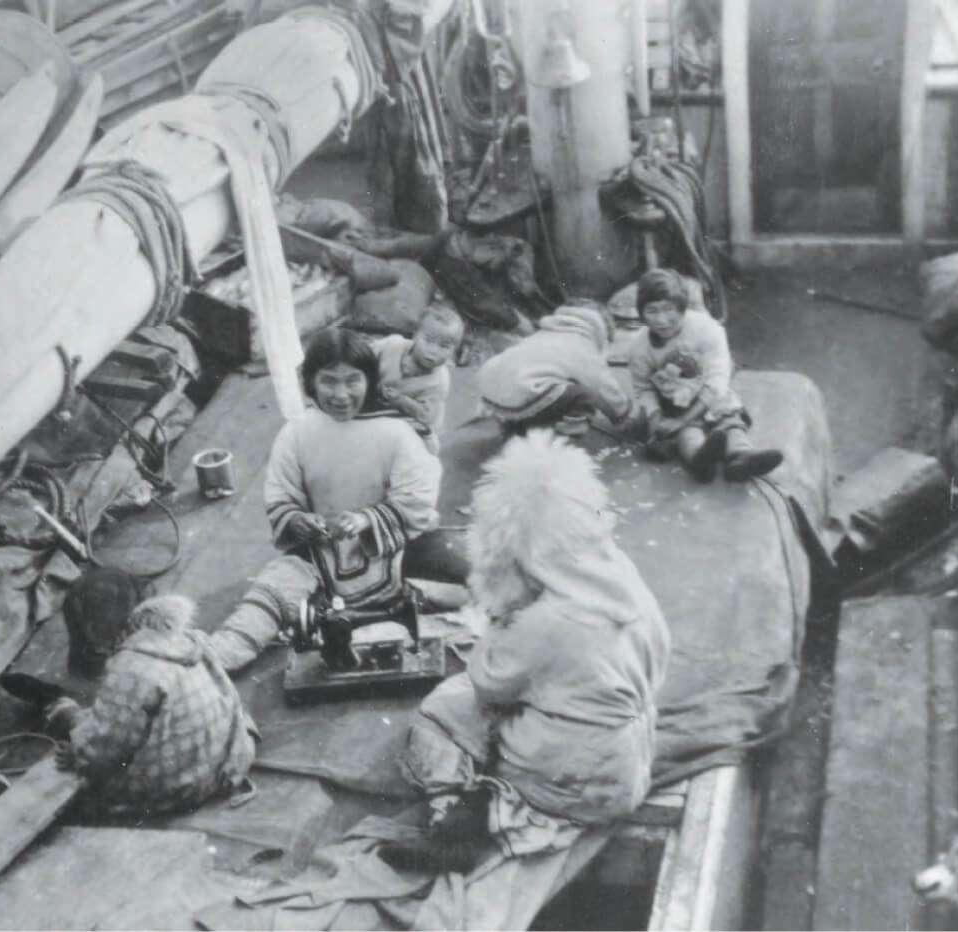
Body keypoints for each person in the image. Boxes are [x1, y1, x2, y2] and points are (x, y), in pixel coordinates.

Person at [381, 430, 670, 874]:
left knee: (440, 711)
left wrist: (499, 614)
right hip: (629, 763)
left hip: (569, 781)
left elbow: (489, 685)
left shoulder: (546, 620)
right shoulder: (620, 577)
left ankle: (457, 820)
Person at [207, 328, 467, 673]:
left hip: (394, 548)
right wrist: (298, 519)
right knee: (268, 597)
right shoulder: (296, 434)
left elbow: (418, 499)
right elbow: (281, 495)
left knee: (476, 563)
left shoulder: (396, 431)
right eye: (329, 381)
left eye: (352, 381)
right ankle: (211, 660)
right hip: (321, 555)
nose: (341, 395)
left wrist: (367, 519)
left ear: (370, 380)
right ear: (310, 383)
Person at [49, 589, 258, 818]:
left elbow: (106, 750)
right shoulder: (187, 639)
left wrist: (78, 753)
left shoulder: (129, 668)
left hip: (178, 789)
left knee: (91, 792)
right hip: (225, 766)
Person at [627, 268, 783, 481]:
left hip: (709, 397)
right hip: (672, 403)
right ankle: (700, 461)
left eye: (668, 309)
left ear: (682, 308)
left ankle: (741, 457)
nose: (661, 320)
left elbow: (718, 380)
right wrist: (657, 420)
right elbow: (643, 388)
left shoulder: (707, 329)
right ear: (641, 312)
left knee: (729, 421)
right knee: (685, 435)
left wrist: (685, 419)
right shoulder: (639, 346)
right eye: (652, 311)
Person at [476, 302, 632, 435]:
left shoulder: (545, 334)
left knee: (550, 378)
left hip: (491, 393)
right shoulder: (582, 344)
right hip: (522, 394)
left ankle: (518, 424)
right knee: (584, 392)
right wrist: (621, 413)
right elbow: (603, 385)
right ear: (600, 330)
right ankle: (571, 426)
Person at [369, 305, 465, 453]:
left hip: (410, 418)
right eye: (428, 341)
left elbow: (427, 415)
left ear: (454, 351)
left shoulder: (439, 380)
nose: (433, 351)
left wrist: (401, 400)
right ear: (415, 335)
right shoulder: (393, 345)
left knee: (424, 447)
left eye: (444, 346)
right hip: (375, 405)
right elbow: (364, 353)